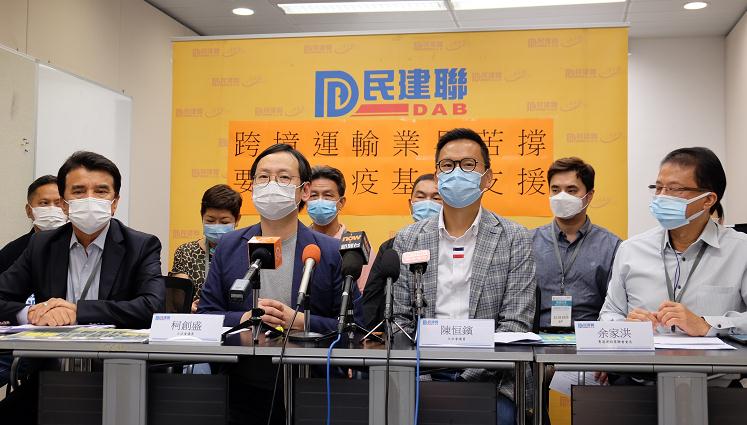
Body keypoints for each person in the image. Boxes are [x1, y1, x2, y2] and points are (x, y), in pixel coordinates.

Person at [198, 143, 351, 425]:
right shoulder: (229, 246)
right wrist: (244, 319)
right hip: (242, 385)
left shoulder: (329, 251)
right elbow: (206, 316)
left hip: (313, 385)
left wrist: (303, 322)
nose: (271, 185)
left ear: (304, 191)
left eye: (283, 178)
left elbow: (353, 326)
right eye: (263, 177)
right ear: (252, 187)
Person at [0, 151, 165, 411]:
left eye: (101, 191)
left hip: (118, 377)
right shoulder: (42, 244)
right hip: (50, 377)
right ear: (64, 204)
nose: (90, 199)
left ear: (115, 202)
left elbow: (152, 306)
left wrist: (78, 312)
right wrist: (31, 313)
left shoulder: (141, 245)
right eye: (78, 191)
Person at [392, 128, 536, 424]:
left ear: (488, 178)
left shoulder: (514, 238)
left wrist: (465, 379)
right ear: (437, 177)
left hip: (493, 380)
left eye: (468, 165)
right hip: (422, 375)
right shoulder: (408, 238)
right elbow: (399, 321)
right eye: (447, 165)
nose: (457, 172)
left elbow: (515, 325)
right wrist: (429, 378)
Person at [600, 147, 747, 336]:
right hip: (644, 355)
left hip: (711, 356)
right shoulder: (631, 249)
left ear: (708, 200)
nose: (661, 197)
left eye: (675, 189)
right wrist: (626, 325)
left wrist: (707, 325)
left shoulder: (740, 250)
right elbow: (609, 314)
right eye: (658, 188)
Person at [532, 157, 620, 329]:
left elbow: (616, 307)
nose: (561, 196)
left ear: (589, 196)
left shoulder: (612, 246)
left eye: (571, 190)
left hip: (590, 337)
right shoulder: (528, 242)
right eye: (555, 190)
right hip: (537, 337)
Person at [361, 173, 442, 329]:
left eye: (436, 198)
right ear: (410, 204)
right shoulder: (390, 247)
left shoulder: (452, 244)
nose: (427, 203)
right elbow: (372, 300)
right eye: (420, 197)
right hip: (399, 333)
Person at [170, 184, 242, 312]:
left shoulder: (245, 252)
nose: (217, 226)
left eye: (224, 222)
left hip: (234, 319)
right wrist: (188, 305)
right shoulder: (186, 252)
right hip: (197, 319)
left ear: (237, 220)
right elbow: (179, 297)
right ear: (202, 216)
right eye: (210, 220)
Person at [0, 175, 66, 275]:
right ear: (29, 211)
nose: (52, 208)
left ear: (67, 207)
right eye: (44, 203)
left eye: (58, 203)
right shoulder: (11, 253)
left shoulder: (79, 247)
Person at [307, 165, 347, 238]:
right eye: (313, 195)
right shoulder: (297, 241)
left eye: (328, 195)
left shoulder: (354, 243)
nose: (320, 201)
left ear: (341, 202)